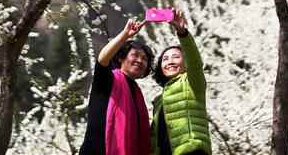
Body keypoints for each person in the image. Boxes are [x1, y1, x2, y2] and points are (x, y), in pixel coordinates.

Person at [78, 19, 155, 155]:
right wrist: (125, 35)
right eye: (135, 55)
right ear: (121, 58)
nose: (140, 61)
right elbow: (102, 60)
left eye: (144, 59)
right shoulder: (109, 79)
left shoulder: (137, 94)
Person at [150, 10, 211, 155]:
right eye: (165, 59)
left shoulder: (192, 82)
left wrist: (182, 32)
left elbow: (195, 61)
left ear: (185, 62)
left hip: (192, 150)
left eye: (176, 57)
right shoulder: (158, 100)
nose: (170, 61)